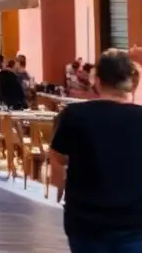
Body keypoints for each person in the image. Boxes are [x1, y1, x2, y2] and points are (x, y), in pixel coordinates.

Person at [50, 48, 142, 253]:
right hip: (135, 224)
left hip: (85, 224)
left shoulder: (74, 115)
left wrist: (60, 186)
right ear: (131, 82)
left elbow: (58, 158)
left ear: (98, 81)